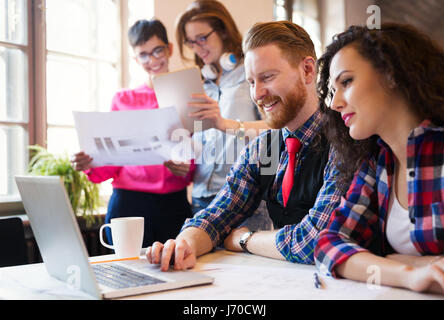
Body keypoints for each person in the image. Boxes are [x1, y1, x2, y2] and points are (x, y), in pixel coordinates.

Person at [145, 21, 348, 271]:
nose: (258, 94)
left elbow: (314, 241)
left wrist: (244, 240)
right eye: (251, 82)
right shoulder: (265, 149)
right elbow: (218, 215)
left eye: (267, 77)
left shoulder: (344, 141)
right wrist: (182, 245)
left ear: (307, 70)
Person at [314, 23, 444, 297]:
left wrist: (390, 260)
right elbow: (329, 243)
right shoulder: (378, 161)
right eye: (332, 89)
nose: (334, 103)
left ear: (392, 75)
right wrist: (408, 272)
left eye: (347, 82)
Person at [71, 19, 195, 247]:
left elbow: (197, 155)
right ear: (136, 59)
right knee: (126, 273)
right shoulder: (123, 100)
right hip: (128, 202)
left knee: (178, 272)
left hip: (173, 203)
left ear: (169, 49)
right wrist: (90, 162)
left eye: (157, 50)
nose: (152, 60)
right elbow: (112, 160)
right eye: (144, 55)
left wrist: (187, 168)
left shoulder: (186, 94)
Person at [167, 0, 272, 231]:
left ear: (223, 30)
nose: (197, 48)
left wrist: (226, 124)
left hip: (244, 197)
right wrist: (183, 156)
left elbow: (274, 128)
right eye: (191, 42)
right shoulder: (199, 82)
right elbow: (199, 138)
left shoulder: (251, 73)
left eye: (202, 38)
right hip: (201, 197)